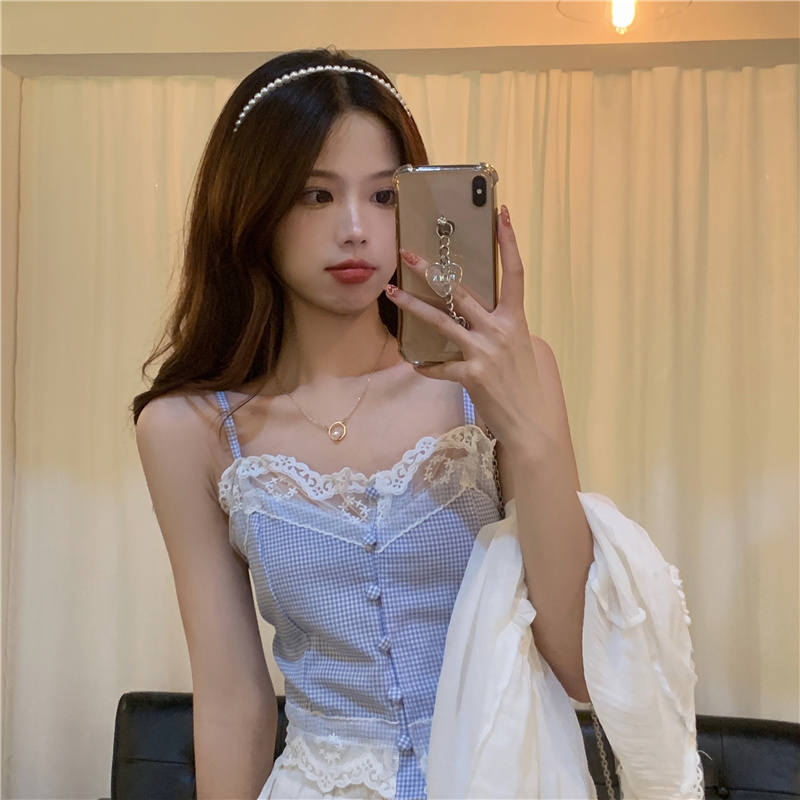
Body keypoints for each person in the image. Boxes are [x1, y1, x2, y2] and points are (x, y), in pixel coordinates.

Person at [133, 48, 702, 800]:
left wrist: (528, 431)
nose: (355, 229)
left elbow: (577, 663)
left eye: (382, 195)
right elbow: (232, 700)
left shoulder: (502, 377)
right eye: (315, 195)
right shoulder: (188, 430)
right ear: (251, 208)